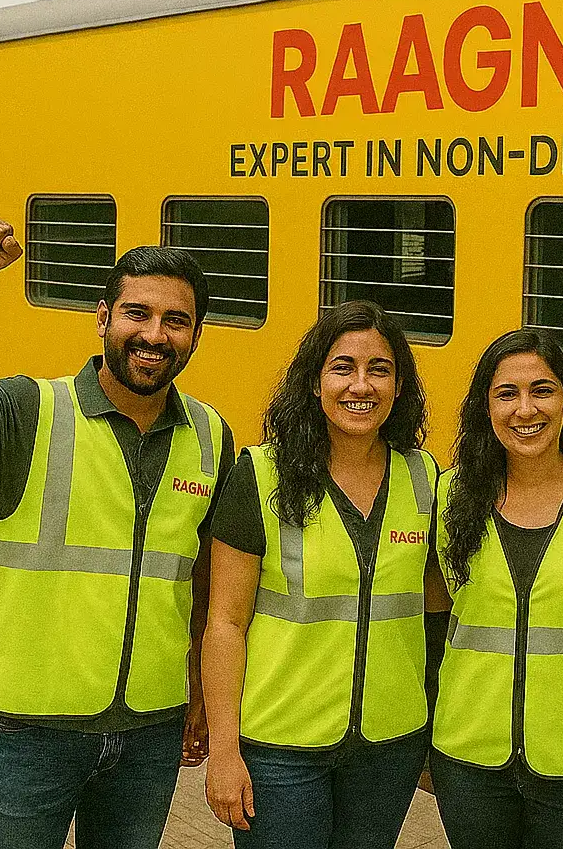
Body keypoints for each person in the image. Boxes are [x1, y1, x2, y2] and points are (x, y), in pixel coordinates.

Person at [0, 217, 234, 849]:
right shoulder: (30, 410)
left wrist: (202, 691)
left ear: (196, 335)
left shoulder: (212, 435)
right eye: (137, 313)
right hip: (27, 731)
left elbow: (202, 581)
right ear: (102, 318)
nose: (154, 335)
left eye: (176, 321)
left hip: (149, 730)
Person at [201, 301, 440, 848]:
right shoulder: (261, 474)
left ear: (399, 386)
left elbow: (435, 605)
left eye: (380, 369)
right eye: (342, 367)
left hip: (388, 744)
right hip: (280, 746)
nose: (361, 385)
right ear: (314, 382)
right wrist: (224, 751)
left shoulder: (423, 477)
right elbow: (225, 624)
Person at [430, 329, 563, 849]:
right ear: (485, 407)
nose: (525, 409)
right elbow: (433, 614)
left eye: (542, 390)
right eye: (507, 394)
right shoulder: (449, 494)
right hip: (469, 756)